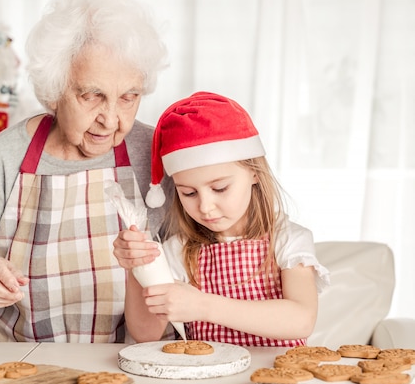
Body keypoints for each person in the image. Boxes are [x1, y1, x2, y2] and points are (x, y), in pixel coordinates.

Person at [0, 0, 171, 343]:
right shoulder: (6, 156)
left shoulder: (155, 153)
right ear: (55, 89)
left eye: (128, 97)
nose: (111, 120)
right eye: (93, 96)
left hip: (136, 364)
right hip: (26, 365)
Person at [113, 91, 330, 346]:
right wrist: (138, 267)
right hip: (209, 381)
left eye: (220, 188)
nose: (205, 206)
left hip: (276, 377)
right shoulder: (179, 250)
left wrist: (204, 306)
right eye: (189, 192)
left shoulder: (288, 240)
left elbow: (301, 320)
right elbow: (146, 333)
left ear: (254, 173)